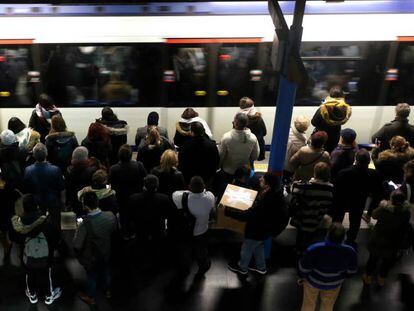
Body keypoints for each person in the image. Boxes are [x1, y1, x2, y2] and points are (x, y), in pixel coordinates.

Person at [226, 172, 288, 275]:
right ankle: (261, 267)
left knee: (247, 248)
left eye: (262, 179)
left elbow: (248, 215)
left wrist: (229, 212)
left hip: (257, 229)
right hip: (265, 230)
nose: (260, 179)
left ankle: (242, 268)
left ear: (267, 185)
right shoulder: (276, 193)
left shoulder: (268, 200)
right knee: (258, 247)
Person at [298, 223, 357, 311]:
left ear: (327, 235)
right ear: (344, 237)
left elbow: (303, 269)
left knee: (308, 304)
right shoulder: (350, 251)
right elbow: (351, 271)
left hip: (313, 281)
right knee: (328, 306)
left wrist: (302, 277)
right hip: (334, 284)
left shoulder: (314, 249)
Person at [73, 191, 117, 305]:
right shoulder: (110, 216)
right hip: (107, 252)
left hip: (91, 258)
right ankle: (107, 291)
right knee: (106, 272)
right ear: (97, 202)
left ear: (85, 205)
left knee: (92, 276)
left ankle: (91, 297)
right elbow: (113, 230)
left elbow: (77, 245)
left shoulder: (84, 224)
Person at [333, 149, 383, 245]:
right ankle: (350, 240)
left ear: (355, 159)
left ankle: (334, 239)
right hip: (360, 201)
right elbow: (377, 194)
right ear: (369, 161)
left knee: (337, 219)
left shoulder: (344, 172)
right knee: (355, 223)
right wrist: (370, 212)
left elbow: (336, 190)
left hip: (342, 200)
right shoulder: (374, 174)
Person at [19, 194, 62, 305]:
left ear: (24, 207)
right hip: (45, 255)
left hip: (28, 255)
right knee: (46, 275)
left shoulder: (20, 222)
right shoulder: (45, 220)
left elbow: (17, 238)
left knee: (29, 274)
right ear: (36, 206)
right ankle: (48, 297)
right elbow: (54, 237)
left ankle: (32, 295)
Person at [363, 190, 411, 287]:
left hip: (378, 239)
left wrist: (383, 205)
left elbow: (373, 215)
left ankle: (368, 277)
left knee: (372, 260)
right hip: (393, 242)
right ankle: (382, 279)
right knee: (387, 262)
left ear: (391, 200)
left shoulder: (384, 210)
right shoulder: (406, 212)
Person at [171, 176, 215, 279]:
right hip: (202, 230)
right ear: (204, 186)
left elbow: (174, 193)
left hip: (186, 231)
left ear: (190, 187)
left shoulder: (180, 197)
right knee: (201, 250)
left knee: (185, 251)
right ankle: (203, 266)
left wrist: (187, 191)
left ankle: (185, 269)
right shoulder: (210, 197)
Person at [290, 162, 334, 253]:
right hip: (317, 220)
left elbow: (293, 190)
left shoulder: (305, 186)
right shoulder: (330, 189)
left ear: (315, 173)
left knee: (301, 240)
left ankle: (299, 253)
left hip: (303, 219)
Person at [23, 143, 65, 235]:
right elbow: (62, 189)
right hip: (53, 202)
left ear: (34, 155)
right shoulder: (55, 169)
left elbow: (26, 189)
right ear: (46, 154)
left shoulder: (28, 170)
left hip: (36, 203)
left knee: (38, 226)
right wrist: (63, 203)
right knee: (55, 225)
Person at [129, 175, 172, 261]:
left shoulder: (133, 198)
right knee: (157, 249)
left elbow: (131, 216)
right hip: (158, 229)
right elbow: (167, 215)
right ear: (157, 185)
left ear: (144, 185)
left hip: (140, 229)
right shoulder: (164, 198)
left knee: (142, 248)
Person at [109, 144, 147, 237]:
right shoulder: (139, 165)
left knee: (123, 217)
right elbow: (145, 178)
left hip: (121, 198)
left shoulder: (114, 168)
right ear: (131, 155)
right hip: (136, 196)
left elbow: (110, 182)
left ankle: (125, 234)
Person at [0, 129, 24, 260]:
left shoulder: (1, 154)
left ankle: (6, 245)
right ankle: (20, 248)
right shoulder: (21, 152)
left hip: (4, 192)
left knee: (4, 220)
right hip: (18, 191)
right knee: (19, 218)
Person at [219, 113, 260, 180]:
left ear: (235, 123)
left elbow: (221, 155)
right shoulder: (253, 137)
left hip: (228, 171)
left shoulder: (226, 137)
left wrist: (219, 166)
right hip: (244, 173)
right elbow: (255, 156)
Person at [311, 86, 352, 153]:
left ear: (330, 96)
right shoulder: (345, 109)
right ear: (342, 96)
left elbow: (313, 122)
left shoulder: (323, 109)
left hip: (322, 138)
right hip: (334, 138)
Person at [178, 121, 220, 186]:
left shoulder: (185, 145)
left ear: (192, 132)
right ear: (203, 131)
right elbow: (216, 161)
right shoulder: (212, 145)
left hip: (189, 177)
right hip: (207, 177)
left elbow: (181, 162)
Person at [66, 147, 101, 216]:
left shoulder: (69, 171)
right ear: (85, 159)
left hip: (75, 199)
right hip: (88, 200)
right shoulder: (91, 171)